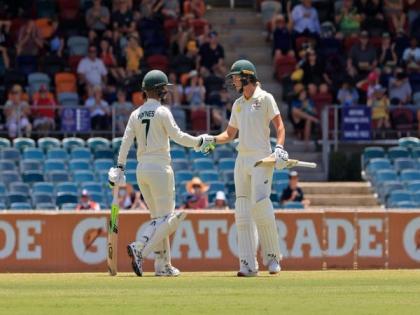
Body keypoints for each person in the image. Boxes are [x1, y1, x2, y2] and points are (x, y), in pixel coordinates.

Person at [108, 70, 206, 277]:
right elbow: (178, 136)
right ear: (159, 90)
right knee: (168, 218)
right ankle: (140, 247)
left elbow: (125, 141)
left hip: (141, 169)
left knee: (158, 219)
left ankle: (163, 265)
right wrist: (199, 142)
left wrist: (120, 166)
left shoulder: (136, 114)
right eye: (164, 88)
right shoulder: (162, 111)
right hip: (160, 168)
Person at [196, 60, 288, 276]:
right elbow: (229, 135)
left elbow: (280, 126)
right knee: (242, 210)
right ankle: (247, 264)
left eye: (237, 77)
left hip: (261, 158)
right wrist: (210, 140)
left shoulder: (265, 98)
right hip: (242, 159)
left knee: (261, 206)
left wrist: (280, 148)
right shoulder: (238, 103)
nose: (234, 81)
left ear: (247, 76)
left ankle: (273, 258)